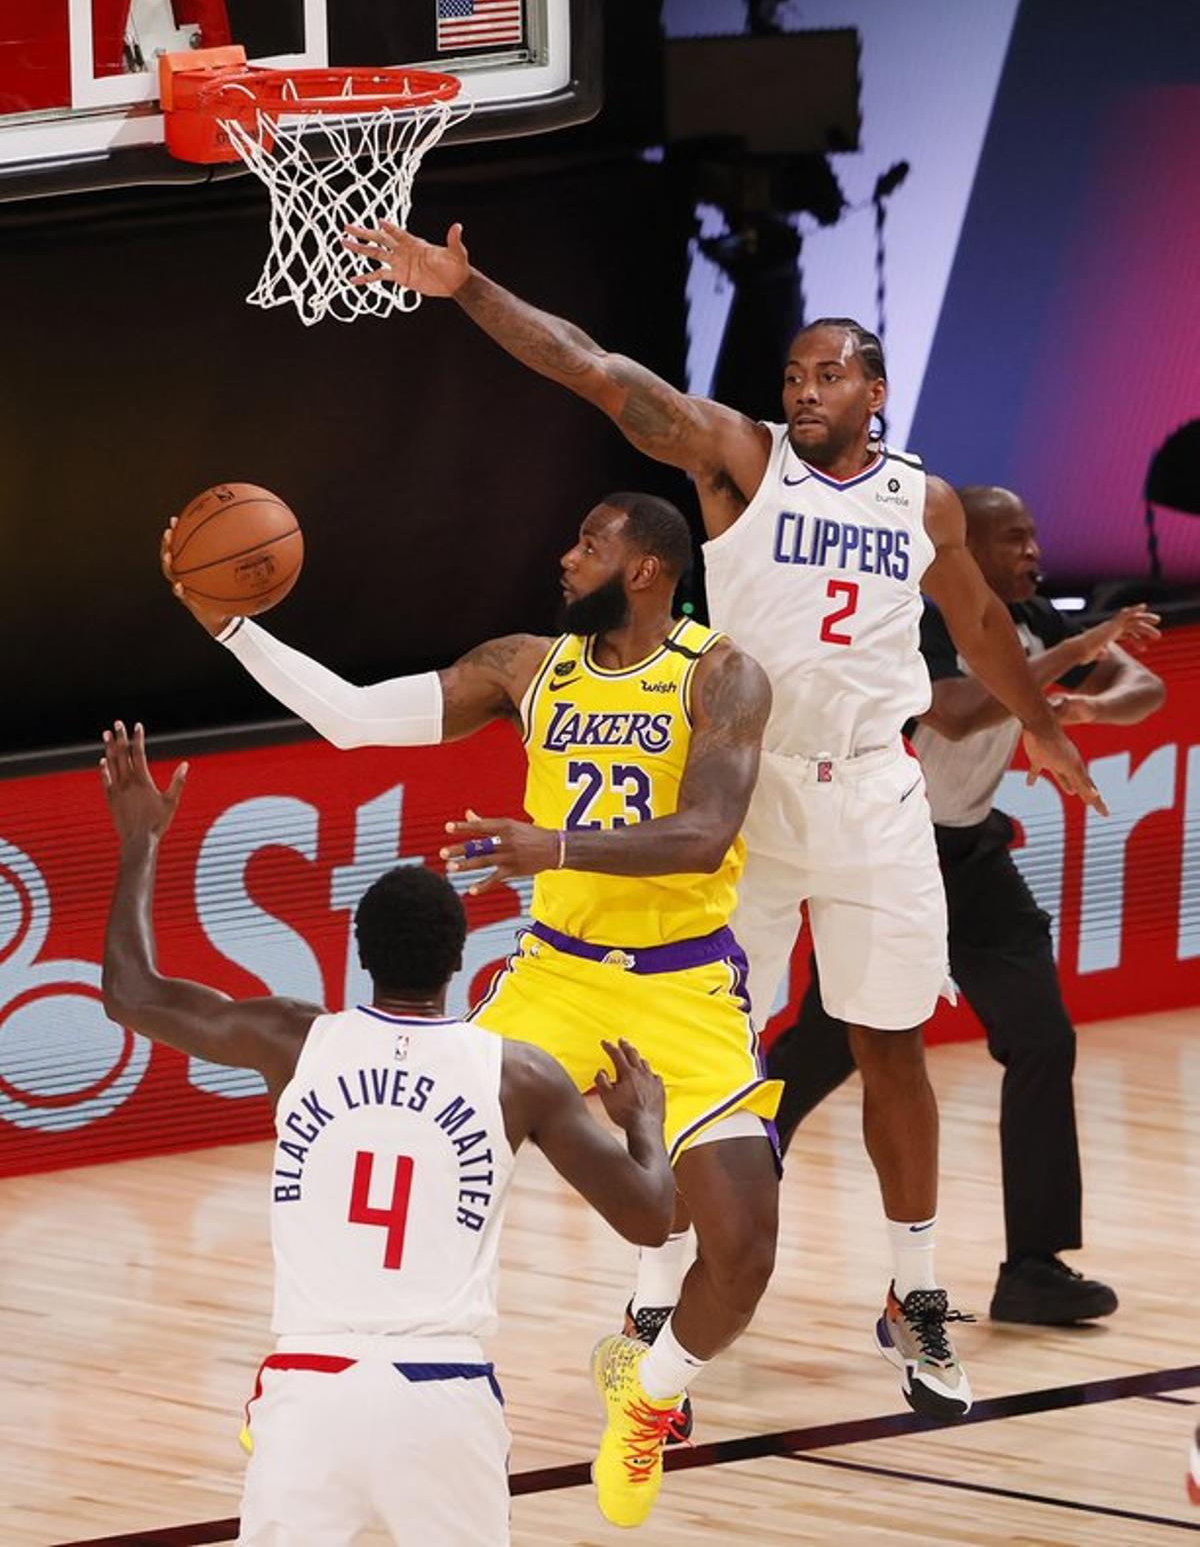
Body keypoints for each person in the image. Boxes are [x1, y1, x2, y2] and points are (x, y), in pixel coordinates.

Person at [340, 219, 1105, 1421]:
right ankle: (660, 1294)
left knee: (889, 1043)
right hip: (743, 792)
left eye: (826, 373)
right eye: (792, 375)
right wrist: (469, 284)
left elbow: (984, 631)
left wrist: (1042, 728)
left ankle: (915, 1293)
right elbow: (598, 371)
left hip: (876, 787)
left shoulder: (929, 503)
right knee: (690, 1051)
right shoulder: (743, 461)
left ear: (876, 390)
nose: (801, 390)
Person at [163, 492, 782, 1529]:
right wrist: (234, 626)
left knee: (746, 1251)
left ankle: (653, 1394)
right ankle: (300, 1372)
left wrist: (551, 848)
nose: (565, 554)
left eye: (591, 544)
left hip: (684, 981)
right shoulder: (526, 667)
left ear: (644, 570)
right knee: (389, 1127)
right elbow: (357, 720)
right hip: (558, 971)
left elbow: (707, 831)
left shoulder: (722, 677)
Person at [99, 719, 678, 1547]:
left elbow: (129, 991)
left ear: (360, 953)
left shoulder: (294, 1040)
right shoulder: (519, 1075)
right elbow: (652, 1218)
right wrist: (643, 1124)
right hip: (442, 1393)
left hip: (308, 1391)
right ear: (458, 959)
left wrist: (139, 841)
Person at [768, 486, 1164, 1323]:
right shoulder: (917, 620)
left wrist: (1090, 699)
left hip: (973, 856)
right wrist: (1069, 657)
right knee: (820, 1053)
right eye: (1014, 538)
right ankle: (720, 1202)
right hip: (888, 854)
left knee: (1043, 1038)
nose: (1033, 552)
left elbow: (1145, 687)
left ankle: (1032, 1268)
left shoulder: (1030, 617)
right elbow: (954, 714)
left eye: (1033, 534)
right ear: (964, 548)